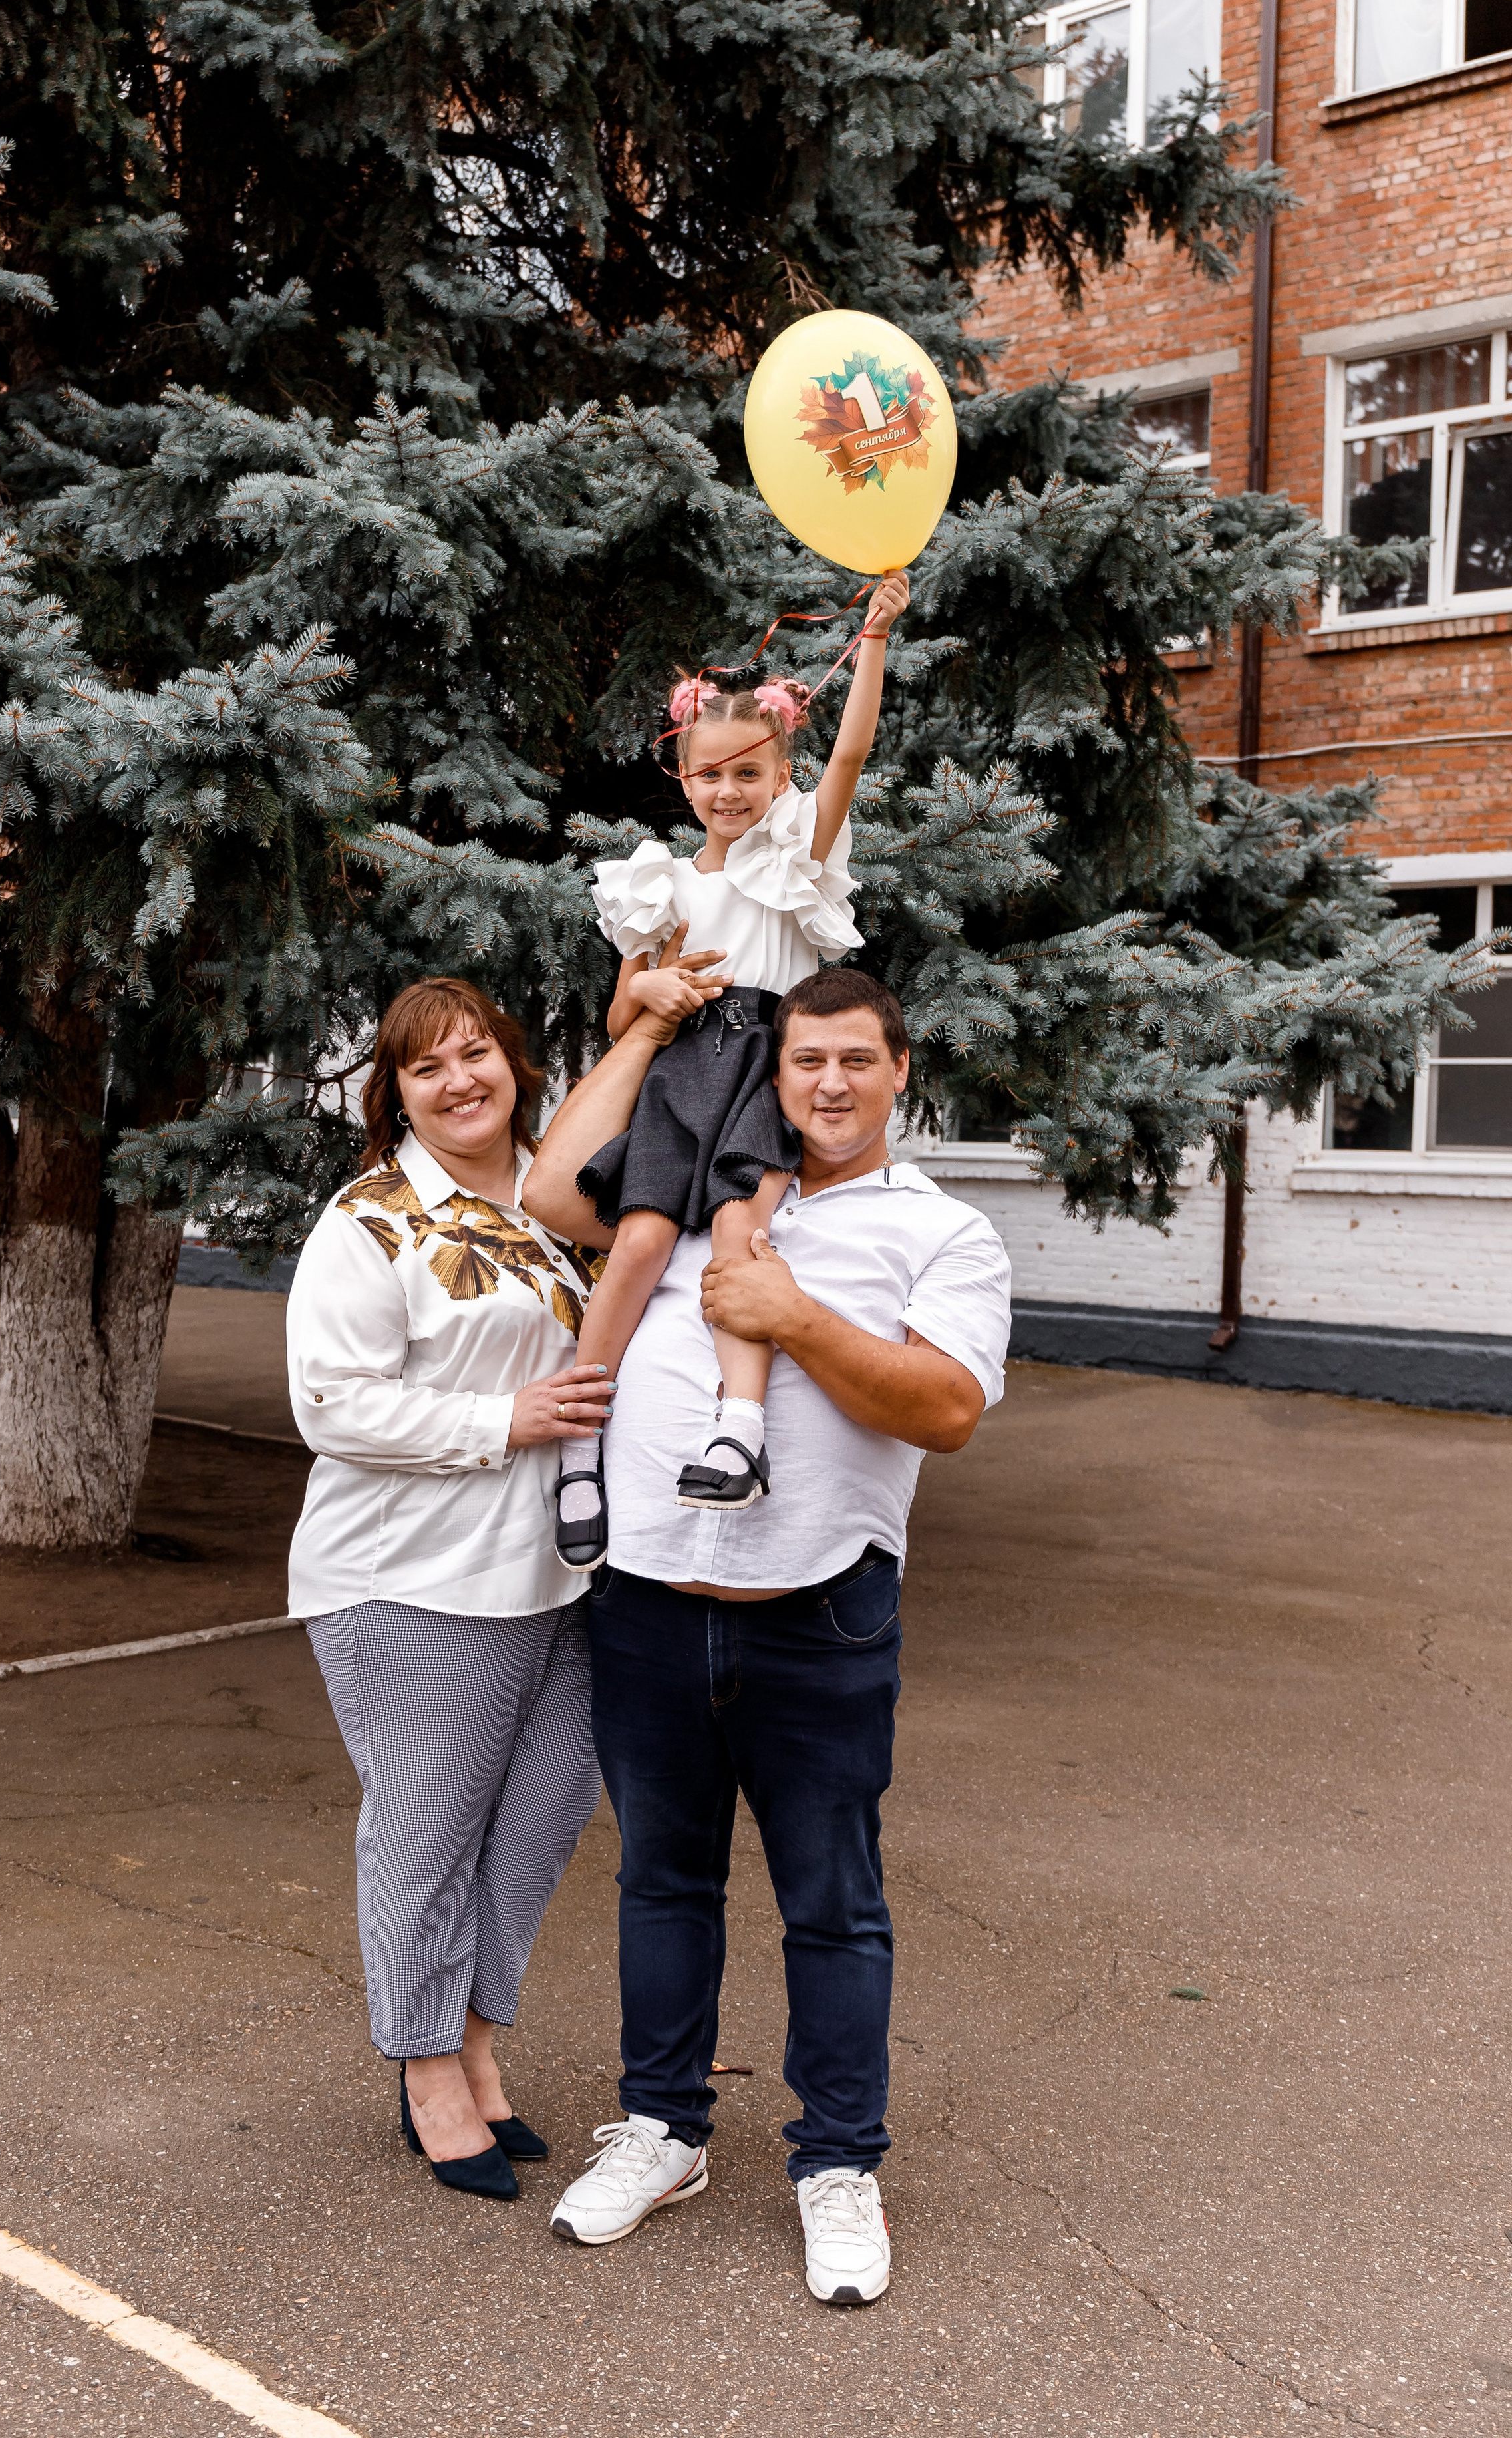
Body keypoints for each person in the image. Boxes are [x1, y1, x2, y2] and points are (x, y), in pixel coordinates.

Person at [522, 966, 1012, 2304]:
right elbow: (553, 1187)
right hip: (645, 1602)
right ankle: (663, 2131)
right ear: (775, 1073)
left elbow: (946, 1408)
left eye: (857, 1060)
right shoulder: (694, 1178)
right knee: (661, 1885)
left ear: (899, 1069)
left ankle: (836, 2163)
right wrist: (642, 1028)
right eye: (806, 1063)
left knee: (832, 1908)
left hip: (819, 1614)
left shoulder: (940, 1232)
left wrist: (791, 1317)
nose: (831, 1086)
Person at [285, 977, 617, 2203]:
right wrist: (508, 1419)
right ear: (397, 1093)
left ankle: (479, 2048)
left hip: (564, 1576)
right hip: (411, 1578)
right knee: (427, 1835)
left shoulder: (559, 1202)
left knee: (532, 1828)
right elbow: (330, 1404)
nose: (460, 1081)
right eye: (428, 1069)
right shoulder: (370, 1221)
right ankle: (426, 2070)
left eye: (477, 1054)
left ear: (514, 1066)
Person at [554, 569, 911, 1571]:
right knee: (635, 1247)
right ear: (682, 778)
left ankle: (737, 1428)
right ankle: (582, 1438)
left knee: (742, 1249)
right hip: (682, 1071)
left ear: (781, 775)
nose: (728, 794)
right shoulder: (658, 883)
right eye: (710, 776)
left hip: (764, 1064)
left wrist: (874, 641)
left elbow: (853, 751)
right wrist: (653, 998)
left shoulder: (798, 850)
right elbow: (625, 1005)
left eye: (750, 775)